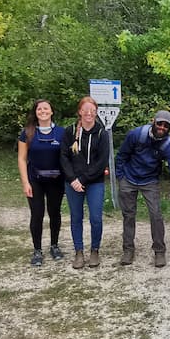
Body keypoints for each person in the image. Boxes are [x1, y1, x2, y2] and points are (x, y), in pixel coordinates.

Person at [116, 110, 170, 268]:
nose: (162, 127)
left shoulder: (168, 145)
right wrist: (120, 177)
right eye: (160, 123)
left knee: (156, 215)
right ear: (153, 121)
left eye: (166, 126)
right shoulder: (136, 134)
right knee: (128, 215)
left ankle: (159, 251)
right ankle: (128, 250)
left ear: (169, 128)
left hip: (150, 180)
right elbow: (122, 155)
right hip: (129, 178)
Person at [60, 96, 110, 269]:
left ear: (96, 113)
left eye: (92, 110)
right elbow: (64, 157)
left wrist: (82, 179)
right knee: (76, 217)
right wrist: (73, 179)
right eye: (86, 110)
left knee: (96, 218)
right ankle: (79, 251)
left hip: (94, 182)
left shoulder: (102, 134)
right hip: (72, 182)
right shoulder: (69, 131)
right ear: (80, 112)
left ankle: (95, 250)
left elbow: (102, 161)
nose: (89, 113)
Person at [17, 99, 66, 267]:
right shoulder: (27, 133)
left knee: (55, 213)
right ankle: (37, 250)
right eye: (40, 109)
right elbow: (22, 159)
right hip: (34, 180)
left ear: (52, 112)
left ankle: (54, 245)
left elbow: (68, 156)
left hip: (56, 180)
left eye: (46, 108)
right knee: (37, 215)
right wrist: (25, 182)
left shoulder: (62, 133)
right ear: (35, 112)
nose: (43, 111)